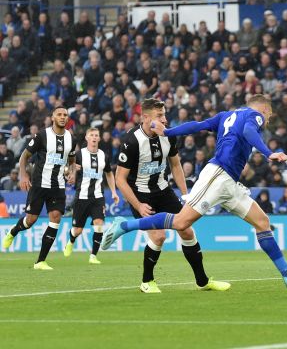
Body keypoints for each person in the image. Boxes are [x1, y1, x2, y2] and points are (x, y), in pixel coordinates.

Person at [102, 94, 287, 289]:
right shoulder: (255, 116)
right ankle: (124, 225)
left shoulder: (226, 115)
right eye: (268, 114)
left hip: (229, 182)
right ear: (264, 109)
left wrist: (168, 132)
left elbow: (197, 125)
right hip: (218, 175)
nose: (267, 119)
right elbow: (249, 131)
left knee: (262, 222)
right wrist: (268, 153)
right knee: (180, 223)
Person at [104, 98, 226, 293]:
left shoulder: (168, 136)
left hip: (163, 189)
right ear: (145, 118)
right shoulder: (131, 141)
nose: (165, 119)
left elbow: (175, 165)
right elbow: (120, 179)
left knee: (186, 229)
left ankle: (202, 281)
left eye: (164, 114)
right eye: (159, 116)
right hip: (140, 194)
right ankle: (147, 281)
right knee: (159, 236)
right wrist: (138, 205)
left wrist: (187, 195)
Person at [2, 106, 76, 269]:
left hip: (58, 185)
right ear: (53, 117)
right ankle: (13, 231)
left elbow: (71, 158)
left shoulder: (71, 138)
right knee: (31, 220)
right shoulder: (42, 136)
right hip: (39, 184)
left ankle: (40, 261)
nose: (63, 117)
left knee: (55, 218)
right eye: (59, 114)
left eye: (65, 115)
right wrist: (24, 175)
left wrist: (71, 172)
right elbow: (24, 156)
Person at [63, 128, 120, 264]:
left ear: (99, 139)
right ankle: (70, 241)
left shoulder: (103, 156)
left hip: (98, 197)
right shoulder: (79, 154)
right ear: (87, 138)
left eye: (96, 135)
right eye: (91, 135)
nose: (94, 138)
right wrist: (70, 171)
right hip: (82, 196)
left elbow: (109, 174)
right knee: (78, 230)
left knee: (99, 225)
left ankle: (93, 256)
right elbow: (66, 171)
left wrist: (113, 191)